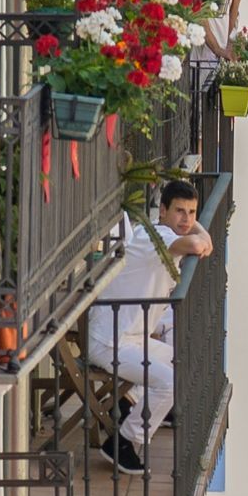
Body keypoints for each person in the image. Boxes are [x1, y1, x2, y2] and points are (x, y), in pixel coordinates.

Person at [88, 177, 217, 474]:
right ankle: (122, 443)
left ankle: (127, 404)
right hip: (110, 340)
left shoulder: (160, 234)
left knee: (180, 362)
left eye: (192, 212)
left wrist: (194, 225)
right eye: (180, 212)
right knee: (169, 382)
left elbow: (202, 243)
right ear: (162, 211)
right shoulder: (155, 238)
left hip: (129, 337)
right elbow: (199, 244)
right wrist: (196, 229)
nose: (186, 219)